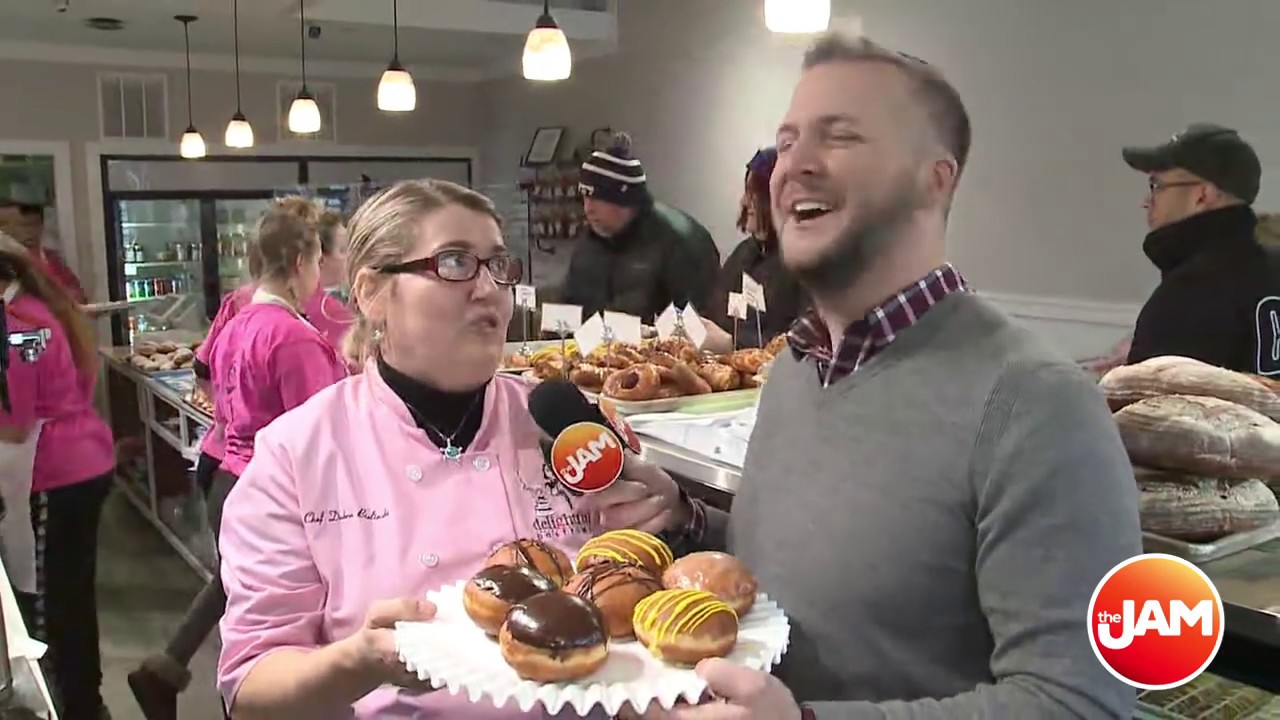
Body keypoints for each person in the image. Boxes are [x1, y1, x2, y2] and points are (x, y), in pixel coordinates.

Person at [591, 34, 1142, 719]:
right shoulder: (796, 367)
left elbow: (1082, 701)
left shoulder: (1037, 403)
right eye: (787, 141)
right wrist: (686, 519)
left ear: (935, 178)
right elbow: (810, 579)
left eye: (840, 136)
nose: (794, 166)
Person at [215, 179, 609, 718]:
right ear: (373, 292)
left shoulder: (560, 421)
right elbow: (252, 689)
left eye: (498, 265)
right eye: (454, 263)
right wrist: (358, 662)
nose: (489, 288)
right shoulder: (297, 454)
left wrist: (678, 515)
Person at [126, 197, 348, 720]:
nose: (318, 275)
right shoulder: (294, 338)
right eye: (317, 262)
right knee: (272, 616)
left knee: (243, 601)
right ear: (299, 264)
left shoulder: (240, 324)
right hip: (274, 490)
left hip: (229, 473)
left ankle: (189, 681)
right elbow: (316, 433)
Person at [0, 233, 114, 719]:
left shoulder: (16, 325)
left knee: (49, 603)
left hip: (53, 471)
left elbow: (16, 419)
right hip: (85, 460)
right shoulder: (49, 310)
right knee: (73, 594)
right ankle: (85, 697)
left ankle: (70, 704)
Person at [1115, 123, 1277, 375]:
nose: (1146, 201)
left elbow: (1151, 409)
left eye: (1157, 186)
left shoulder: (1190, 291)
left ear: (1202, 195)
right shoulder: (1270, 270)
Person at [560, 132, 721, 320]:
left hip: (661, 348)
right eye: (585, 197)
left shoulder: (680, 242)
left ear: (624, 200)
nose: (588, 209)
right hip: (592, 348)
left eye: (598, 198)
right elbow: (568, 306)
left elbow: (702, 324)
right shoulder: (589, 242)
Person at [701, 147, 807, 353]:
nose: (744, 202)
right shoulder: (743, 254)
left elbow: (804, 345)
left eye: (754, 194)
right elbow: (716, 312)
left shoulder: (806, 263)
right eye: (745, 192)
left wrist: (733, 344)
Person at [0, 200, 88, 305]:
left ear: (41, 226)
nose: (27, 232)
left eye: (31, 225)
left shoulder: (51, 260)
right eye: (22, 226)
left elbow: (79, 297)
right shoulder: (5, 264)